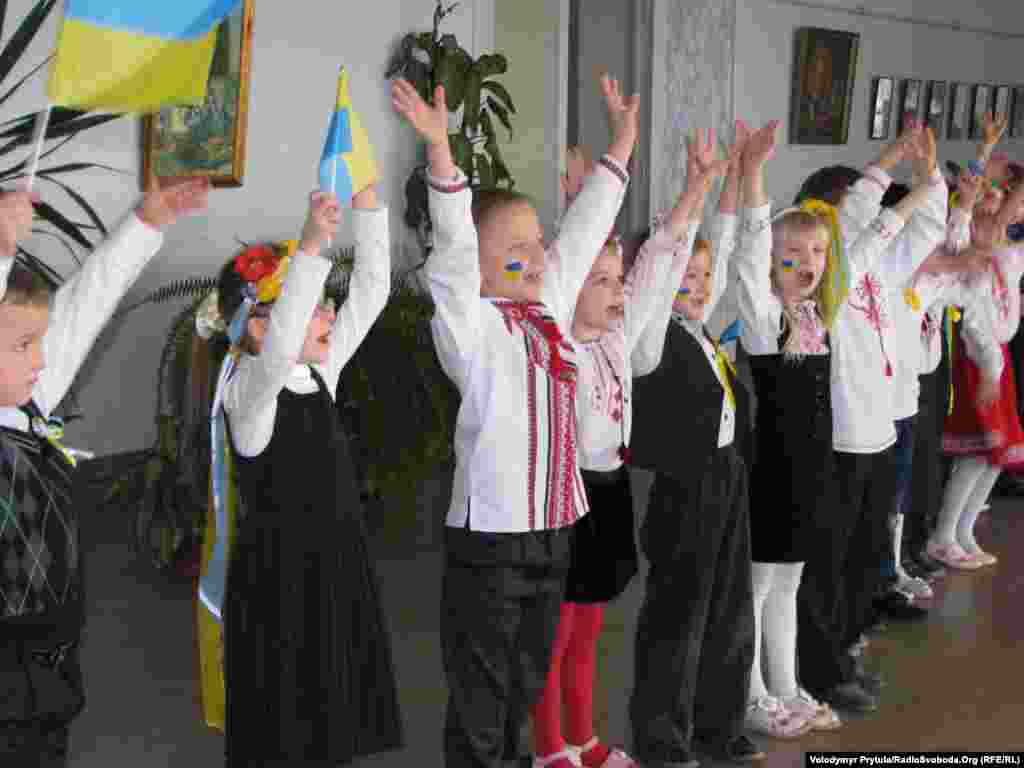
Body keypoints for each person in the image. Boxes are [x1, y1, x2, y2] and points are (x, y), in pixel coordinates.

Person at [391, 72, 638, 768]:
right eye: (514, 247)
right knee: (482, 688)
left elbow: (584, 230)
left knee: (526, 683)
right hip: (492, 543)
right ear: (479, 267)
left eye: (536, 241)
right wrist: (441, 154)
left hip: (554, 531)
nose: (534, 254)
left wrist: (621, 145)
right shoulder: (469, 326)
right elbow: (452, 248)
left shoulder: (549, 307)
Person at [529, 133, 728, 768]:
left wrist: (696, 189)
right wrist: (588, 196)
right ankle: (548, 748)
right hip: (568, 500)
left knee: (589, 628)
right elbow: (569, 257)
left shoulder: (621, 337)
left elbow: (660, 265)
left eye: (618, 280)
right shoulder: (555, 344)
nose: (619, 292)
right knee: (555, 633)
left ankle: (583, 737)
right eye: (602, 281)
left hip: (611, 493)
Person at [1, 178, 210, 766]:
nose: (42, 358)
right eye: (22, 345)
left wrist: (145, 223)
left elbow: (82, 308)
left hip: (48, 670)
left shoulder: (28, 400)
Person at [213, 144, 403, 763]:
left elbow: (371, 291)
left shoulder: (322, 372)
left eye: (323, 302)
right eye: (311, 305)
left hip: (335, 566)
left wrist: (368, 204)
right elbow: (275, 359)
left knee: (333, 706)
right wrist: (313, 248)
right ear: (258, 326)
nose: (328, 312)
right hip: (280, 582)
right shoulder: (250, 394)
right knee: (285, 714)